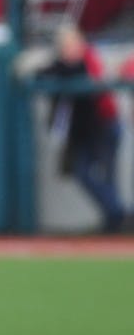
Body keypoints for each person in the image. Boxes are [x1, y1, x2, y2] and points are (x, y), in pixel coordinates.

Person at [39, 25, 129, 233]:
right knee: (83, 172)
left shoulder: (88, 58)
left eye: (70, 45)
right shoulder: (63, 64)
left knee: (106, 175)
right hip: (85, 131)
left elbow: (88, 79)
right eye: (64, 46)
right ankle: (116, 216)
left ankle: (117, 218)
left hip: (105, 124)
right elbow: (51, 71)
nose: (67, 50)